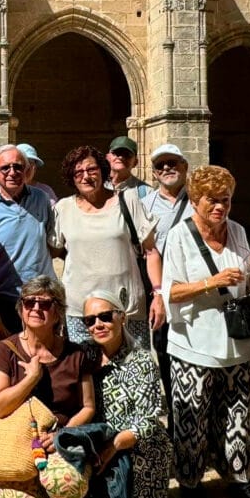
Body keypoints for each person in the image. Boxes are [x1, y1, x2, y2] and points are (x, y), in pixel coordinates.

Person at [161, 165, 250, 498]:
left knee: (236, 413)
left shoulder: (236, 231)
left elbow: (246, 286)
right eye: (212, 200)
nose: (219, 208)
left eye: (225, 200)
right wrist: (211, 281)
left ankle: (240, 477)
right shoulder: (179, 236)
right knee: (191, 415)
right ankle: (191, 480)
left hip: (235, 340)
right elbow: (172, 293)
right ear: (195, 200)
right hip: (193, 341)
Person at [0, 276, 97, 498]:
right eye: (29, 302)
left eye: (44, 303)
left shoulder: (75, 354)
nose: (35, 308)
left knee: (66, 483)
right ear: (21, 308)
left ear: (57, 310)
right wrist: (30, 379)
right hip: (18, 447)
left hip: (60, 444)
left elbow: (88, 407)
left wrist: (63, 435)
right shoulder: (4, 350)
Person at [50, 145, 163, 350]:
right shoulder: (63, 208)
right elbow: (54, 249)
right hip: (80, 312)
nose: (86, 177)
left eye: (92, 170)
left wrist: (158, 293)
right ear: (71, 178)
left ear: (102, 171)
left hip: (126, 310)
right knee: (87, 376)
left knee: (135, 372)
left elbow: (151, 251)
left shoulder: (128, 201)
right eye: (78, 172)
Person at [82, 288, 171, 498]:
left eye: (106, 317)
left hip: (135, 446)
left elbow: (148, 420)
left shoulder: (142, 361)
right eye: (90, 320)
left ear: (122, 317)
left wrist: (113, 446)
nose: (98, 325)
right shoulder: (83, 356)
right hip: (97, 442)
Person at [0, 144, 57, 334]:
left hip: (40, 296)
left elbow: (52, 243)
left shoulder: (41, 199)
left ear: (26, 171)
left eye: (18, 167)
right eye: (5, 168)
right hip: (4, 299)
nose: (12, 172)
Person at [143, 143, 191, 429]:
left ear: (185, 166)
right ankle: (176, 423)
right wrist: (157, 293)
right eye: (160, 165)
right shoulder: (146, 205)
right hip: (164, 294)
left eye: (173, 163)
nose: (167, 169)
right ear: (154, 173)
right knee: (166, 357)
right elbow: (149, 252)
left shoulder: (200, 200)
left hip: (198, 292)